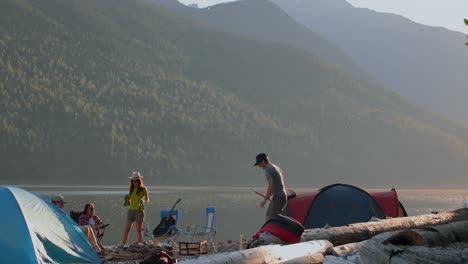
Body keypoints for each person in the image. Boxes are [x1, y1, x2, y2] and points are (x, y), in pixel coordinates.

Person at [254, 153, 287, 220]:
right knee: (268, 217)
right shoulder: (276, 167)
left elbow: (271, 186)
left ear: (263, 161)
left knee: (271, 219)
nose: (259, 166)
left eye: (259, 164)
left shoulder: (268, 169)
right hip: (281, 197)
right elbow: (276, 184)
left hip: (279, 197)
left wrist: (265, 200)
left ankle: (278, 230)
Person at [121, 171, 150, 247]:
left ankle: (139, 245)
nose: (135, 182)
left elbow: (147, 199)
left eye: (136, 181)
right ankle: (122, 245)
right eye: (133, 181)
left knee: (138, 230)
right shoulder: (131, 189)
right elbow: (129, 201)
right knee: (127, 229)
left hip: (139, 211)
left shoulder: (143, 189)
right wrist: (127, 200)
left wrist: (143, 201)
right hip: (131, 211)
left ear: (139, 180)